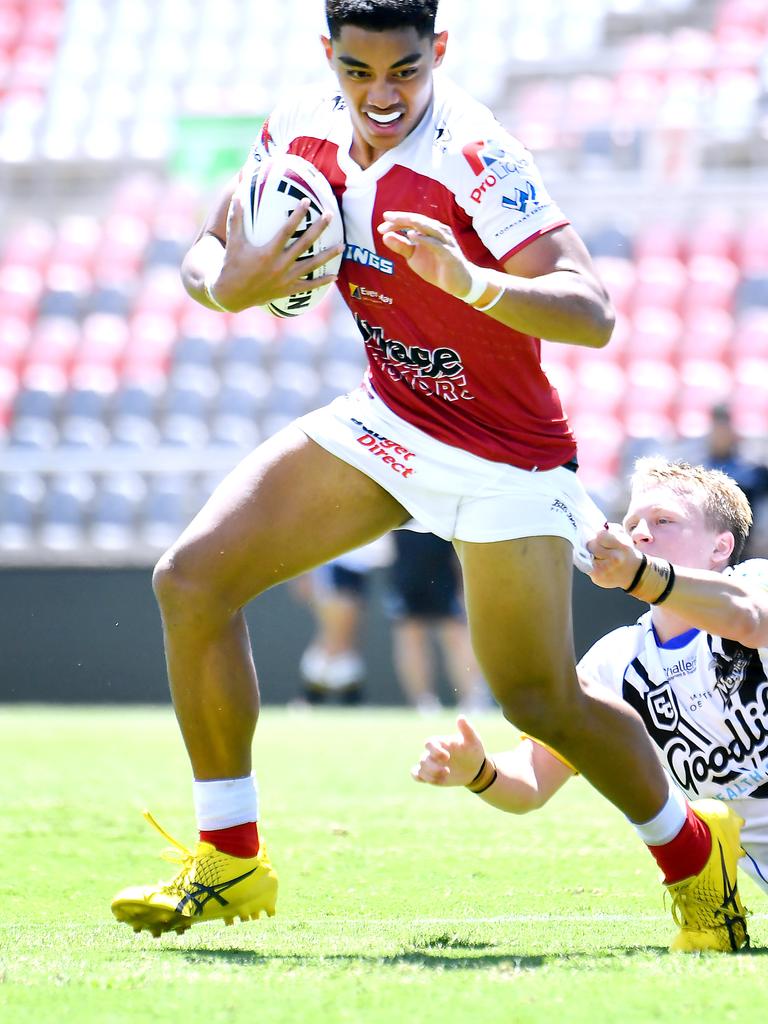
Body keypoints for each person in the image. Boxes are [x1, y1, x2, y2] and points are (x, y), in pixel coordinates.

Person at [110, 1, 743, 952]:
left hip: (505, 455)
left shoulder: (478, 158)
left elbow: (593, 310)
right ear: (328, 56)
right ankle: (231, 859)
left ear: (437, 52)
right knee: (191, 579)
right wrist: (223, 284)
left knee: (537, 702)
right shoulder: (299, 126)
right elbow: (213, 246)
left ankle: (699, 863)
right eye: (358, 72)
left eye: (404, 70)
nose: (382, 95)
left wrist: (473, 283)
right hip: (389, 419)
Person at [414, 457, 767, 947]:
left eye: (664, 521)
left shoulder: (756, 581)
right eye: (632, 524)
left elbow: (750, 620)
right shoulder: (614, 663)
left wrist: (642, 573)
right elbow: (532, 784)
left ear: (720, 546)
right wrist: (478, 771)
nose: (642, 533)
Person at [386, 530, 487, 713]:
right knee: (411, 633)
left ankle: (473, 700)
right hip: (406, 561)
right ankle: (424, 704)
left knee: (456, 632)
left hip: (444, 557)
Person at [296, 536, 392, 704]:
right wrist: (304, 572)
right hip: (331, 563)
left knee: (345, 635)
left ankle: (321, 694)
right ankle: (312, 695)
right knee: (335, 634)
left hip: (358, 565)